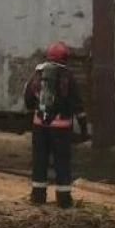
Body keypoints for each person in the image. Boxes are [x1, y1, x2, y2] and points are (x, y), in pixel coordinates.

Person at [23, 41, 88, 208]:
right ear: (65, 58)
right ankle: (64, 200)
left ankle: (38, 197)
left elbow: (28, 98)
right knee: (62, 163)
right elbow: (77, 104)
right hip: (61, 127)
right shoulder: (68, 76)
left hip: (39, 125)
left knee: (39, 161)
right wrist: (83, 128)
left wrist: (36, 113)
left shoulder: (38, 73)